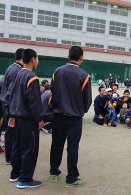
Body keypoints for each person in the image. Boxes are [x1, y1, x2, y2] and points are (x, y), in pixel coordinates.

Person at [50, 46, 92, 188]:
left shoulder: (57, 71)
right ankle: (71, 178)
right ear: (81, 58)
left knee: (56, 145)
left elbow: (53, 94)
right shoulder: (84, 75)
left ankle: (54, 172)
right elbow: (87, 100)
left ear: (68, 56)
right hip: (74, 118)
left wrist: (55, 108)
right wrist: (81, 110)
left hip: (58, 115)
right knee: (72, 148)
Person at [8, 49, 44, 188]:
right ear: (33, 59)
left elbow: (10, 95)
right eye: (38, 59)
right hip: (28, 120)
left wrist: (11, 114)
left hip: (17, 117)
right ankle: (25, 179)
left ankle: (15, 174)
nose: (38, 62)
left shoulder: (18, 74)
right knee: (30, 149)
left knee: (17, 146)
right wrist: (39, 119)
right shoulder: (32, 77)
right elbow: (34, 102)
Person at [0, 48, 24, 165]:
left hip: (6, 102)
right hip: (10, 104)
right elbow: (12, 92)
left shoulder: (11, 67)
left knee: (9, 130)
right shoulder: (17, 71)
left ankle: (9, 155)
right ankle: (10, 156)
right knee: (11, 131)